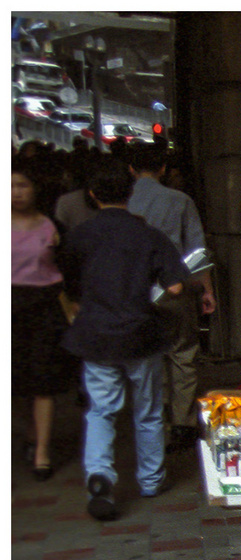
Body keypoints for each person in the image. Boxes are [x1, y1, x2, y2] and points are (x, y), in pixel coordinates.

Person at [58, 157, 190, 521]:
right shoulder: (148, 235)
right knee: (147, 412)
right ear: (130, 191)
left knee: (101, 410)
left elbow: (67, 284)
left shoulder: (79, 236)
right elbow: (176, 285)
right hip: (140, 334)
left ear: (91, 194)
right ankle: (150, 480)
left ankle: (100, 474)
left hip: (96, 335)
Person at [127, 140, 215, 451]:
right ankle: (183, 423)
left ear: (131, 169)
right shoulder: (180, 200)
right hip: (175, 288)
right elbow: (196, 249)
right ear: (163, 169)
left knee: (149, 354)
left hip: (135, 289)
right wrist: (206, 289)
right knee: (183, 354)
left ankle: (156, 416)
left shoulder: (123, 203)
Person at [12, 166, 79, 480]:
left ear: (35, 188)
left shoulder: (53, 227)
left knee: (43, 382)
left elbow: (69, 271)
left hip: (44, 309)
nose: (16, 192)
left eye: (22, 185)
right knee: (16, 385)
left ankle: (42, 452)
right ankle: (29, 433)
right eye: (10, 186)